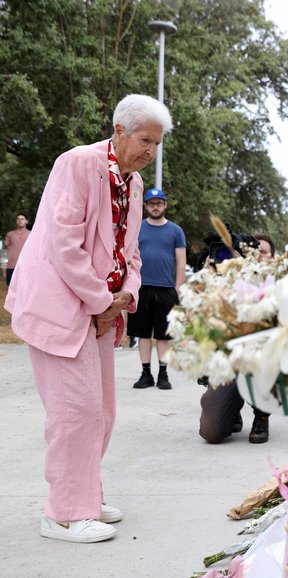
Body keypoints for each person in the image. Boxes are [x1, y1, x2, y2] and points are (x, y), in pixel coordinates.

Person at [3, 94, 172, 543]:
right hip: (61, 306)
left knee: (101, 413)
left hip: (99, 307)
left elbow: (131, 250)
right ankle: (61, 514)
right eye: (144, 140)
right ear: (118, 130)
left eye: (157, 144)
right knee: (73, 413)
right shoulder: (77, 163)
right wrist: (103, 302)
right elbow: (64, 245)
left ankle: (85, 498)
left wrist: (125, 295)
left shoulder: (134, 184)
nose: (150, 152)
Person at [199, 233, 275, 444]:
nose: (257, 256)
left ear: (273, 258)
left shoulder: (275, 283)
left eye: (263, 252)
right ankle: (230, 410)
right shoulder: (228, 280)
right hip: (229, 362)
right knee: (211, 433)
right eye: (252, 251)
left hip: (260, 361)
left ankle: (262, 416)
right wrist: (209, 274)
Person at [127, 188, 186, 390]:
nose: (155, 206)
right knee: (142, 333)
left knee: (164, 335)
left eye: (159, 203)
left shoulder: (176, 231)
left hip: (166, 289)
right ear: (145, 206)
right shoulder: (137, 228)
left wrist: (178, 287)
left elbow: (181, 261)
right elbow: (129, 256)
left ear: (165, 205)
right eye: (151, 203)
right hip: (141, 287)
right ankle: (145, 373)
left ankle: (163, 373)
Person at [4, 213, 30, 286]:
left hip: (26, 265)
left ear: (26, 221)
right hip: (12, 265)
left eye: (22, 219)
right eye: (18, 219)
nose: (20, 221)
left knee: (25, 287)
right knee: (11, 288)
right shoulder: (10, 234)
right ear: (16, 221)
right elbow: (7, 247)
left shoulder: (31, 234)